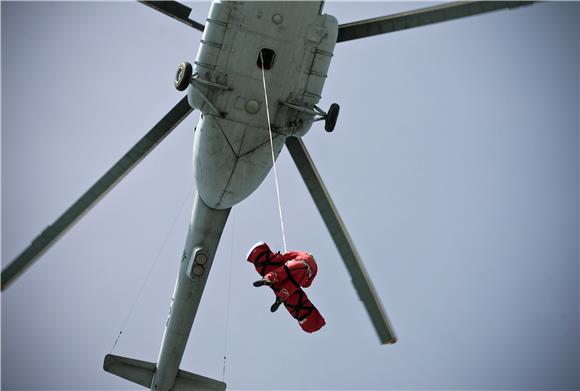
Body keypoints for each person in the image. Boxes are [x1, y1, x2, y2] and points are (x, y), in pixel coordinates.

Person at [246, 242, 326, 333]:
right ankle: (282, 296)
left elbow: (286, 256)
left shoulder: (302, 254)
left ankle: (269, 278)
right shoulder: (315, 269)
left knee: (284, 271)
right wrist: (304, 281)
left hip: (296, 265)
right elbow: (307, 285)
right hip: (304, 274)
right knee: (292, 286)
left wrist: (279, 257)